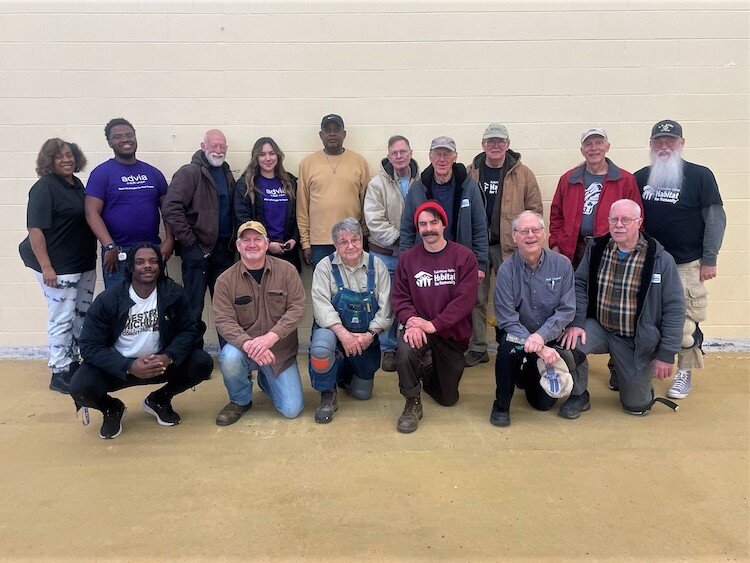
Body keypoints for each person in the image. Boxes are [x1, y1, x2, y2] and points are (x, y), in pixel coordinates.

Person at [69, 243, 213, 440]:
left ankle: (159, 400)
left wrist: (168, 356)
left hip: (159, 364)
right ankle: (112, 408)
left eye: (153, 261)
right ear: (130, 266)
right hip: (119, 368)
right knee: (80, 386)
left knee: (202, 362)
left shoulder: (173, 293)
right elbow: (89, 346)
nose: (148, 266)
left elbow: (188, 330)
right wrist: (128, 365)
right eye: (140, 262)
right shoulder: (108, 300)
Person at [559, 200, 685, 418]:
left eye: (625, 219)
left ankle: (630, 376)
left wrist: (666, 354)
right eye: (613, 219)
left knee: (637, 407)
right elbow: (579, 285)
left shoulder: (660, 259)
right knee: (568, 346)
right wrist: (577, 323)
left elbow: (675, 308)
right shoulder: (597, 248)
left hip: (635, 340)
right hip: (599, 327)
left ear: (639, 222)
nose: (619, 225)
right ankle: (579, 395)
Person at [634, 119, 726, 400]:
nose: (664, 147)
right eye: (658, 142)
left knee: (686, 323)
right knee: (649, 319)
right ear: (651, 145)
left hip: (686, 263)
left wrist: (709, 258)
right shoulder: (640, 177)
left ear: (681, 143)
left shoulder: (700, 176)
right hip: (649, 261)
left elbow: (715, 220)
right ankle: (649, 367)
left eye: (670, 141)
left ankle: (684, 372)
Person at [392, 201, 479, 433]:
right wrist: (411, 321)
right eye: (423, 224)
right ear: (417, 228)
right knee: (404, 351)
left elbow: (464, 300)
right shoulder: (408, 259)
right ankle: (412, 403)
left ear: (443, 225)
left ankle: (426, 368)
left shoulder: (464, 257)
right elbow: (399, 298)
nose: (428, 228)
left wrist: (434, 324)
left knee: (448, 398)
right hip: (419, 331)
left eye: (433, 222)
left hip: (451, 334)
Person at [19, 138, 97, 394]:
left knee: (80, 316)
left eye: (69, 155)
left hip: (83, 262)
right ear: (49, 161)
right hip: (59, 266)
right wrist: (46, 267)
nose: (67, 160)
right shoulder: (45, 187)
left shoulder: (76, 185)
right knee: (61, 317)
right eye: (59, 156)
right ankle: (60, 371)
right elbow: (35, 230)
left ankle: (73, 362)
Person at [465, 123, 543, 367]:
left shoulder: (523, 174)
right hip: (477, 248)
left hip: (510, 249)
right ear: (483, 145)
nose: (495, 145)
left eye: (500, 141)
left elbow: (535, 210)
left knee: (517, 298)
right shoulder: (470, 173)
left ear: (507, 144)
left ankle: (519, 344)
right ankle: (478, 347)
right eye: (490, 141)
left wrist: (528, 243)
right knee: (476, 298)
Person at [212, 221, 306, 425]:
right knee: (228, 356)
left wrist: (271, 338)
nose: (252, 244)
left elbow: (297, 309)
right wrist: (248, 344)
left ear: (266, 244)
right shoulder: (225, 281)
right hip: (245, 349)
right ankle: (240, 400)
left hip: (278, 352)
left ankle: (266, 378)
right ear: (238, 246)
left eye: (257, 239)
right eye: (246, 240)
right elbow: (223, 320)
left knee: (291, 410)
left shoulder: (287, 271)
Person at [491, 211, 576, 427]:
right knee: (506, 352)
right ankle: (501, 404)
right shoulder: (506, 270)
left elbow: (566, 311)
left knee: (542, 403)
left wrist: (541, 338)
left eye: (535, 230)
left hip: (549, 335)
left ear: (544, 233)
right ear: (514, 237)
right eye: (524, 231)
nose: (530, 235)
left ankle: (528, 371)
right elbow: (507, 318)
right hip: (517, 335)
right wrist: (537, 346)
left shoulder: (562, 265)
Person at [309, 218, 392, 424]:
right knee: (321, 346)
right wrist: (344, 335)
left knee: (363, 394)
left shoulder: (377, 266)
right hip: (335, 334)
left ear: (362, 240)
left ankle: (343, 376)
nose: (350, 246)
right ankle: (327, 393)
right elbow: (321, 307)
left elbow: (387, 307)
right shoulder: (324, 267)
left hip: (365, 337)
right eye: (343, 241)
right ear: (335, 244)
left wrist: (370, 334)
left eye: (354, 239)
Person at [162, 129, 236, 334]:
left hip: (224, 252)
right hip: (197, 251)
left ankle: (230, 358)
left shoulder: (227, 173)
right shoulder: (190, 172)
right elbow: (171, 208)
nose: (218, 150)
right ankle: (192, 358)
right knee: (193, 309)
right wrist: (191, 244)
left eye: (222, 146)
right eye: (214, 145)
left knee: (226, 309)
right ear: (203, 146)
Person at [84, 118, 173, 287]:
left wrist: (169, 240)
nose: (125, 139)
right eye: (118, 137)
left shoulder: (153, 173)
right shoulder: (101, 173)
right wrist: (109, 246)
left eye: (129, 135)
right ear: (110, 143)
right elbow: (91, 213)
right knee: (119, 304)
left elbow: (168, 209)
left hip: (151, 250)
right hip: (118, 252)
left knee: (152, 303)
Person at [363, 135, 419, 371]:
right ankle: (387, 348)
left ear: (410, 153)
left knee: (415, 300)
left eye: (403, 152)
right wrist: (402, 239)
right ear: (388, 156)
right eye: (394, 153)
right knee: (386, 302)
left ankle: (412, 346)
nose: (399, 156)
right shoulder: (377, 184)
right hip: (386, 253)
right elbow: (374, 220)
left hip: (416, 254)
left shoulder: (422, 182)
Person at [549, 128, 643, 268]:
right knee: (574, 289)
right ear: (582, 150)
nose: (594, 148)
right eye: (588, 144)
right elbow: (556, 215)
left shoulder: (625, 180)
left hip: (611, 248)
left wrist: (629, 249)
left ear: (607, 147)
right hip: (573, 250)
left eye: (599, 143)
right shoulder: (568, 179)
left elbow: (637, 218)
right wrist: (555, 245)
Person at [296, 114, 370, 268]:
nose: (332, 133)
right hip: (319, 243)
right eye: (327, 130)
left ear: (344, 134)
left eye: (336, 129)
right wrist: (305, 242)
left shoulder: (359, 162)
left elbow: (366, 203)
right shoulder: (307, 163)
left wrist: (363, 236)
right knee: (324, 290)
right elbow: (302, 207)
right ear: (321, 135)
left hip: (351, 240)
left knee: (353, 288)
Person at [234, 137, 301, 272]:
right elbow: (242, 219)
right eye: (262, 154)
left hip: (288, 253)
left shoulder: (290, 182)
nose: (268, 158)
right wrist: (267, 244)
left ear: (278, 155)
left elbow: (299, 214)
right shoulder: (245, 184)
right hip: (258, 252)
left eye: (272, 153)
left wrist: (295, 238)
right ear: (256, 158)